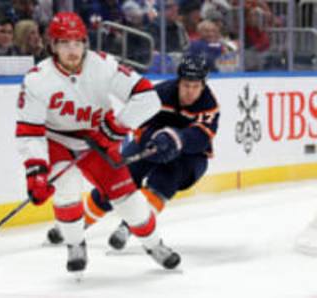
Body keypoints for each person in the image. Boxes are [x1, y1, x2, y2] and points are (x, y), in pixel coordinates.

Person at [16, 11, 180, 275]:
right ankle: (74, 243)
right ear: (52, 46)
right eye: (64, 43)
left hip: (98, 141)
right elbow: (29, 130)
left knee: (130, 202)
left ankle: (154, 244)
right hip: (57, 141)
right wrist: (35, 171)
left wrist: (115, 128)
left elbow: (148, 98)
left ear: (85, 43)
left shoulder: (104, 65)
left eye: (77, 42)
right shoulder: (37, 79)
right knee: (67, 190)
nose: (72, 50)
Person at [47, 55, 220, 252]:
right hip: (152, 143)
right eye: (186, 85)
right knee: (118, 180)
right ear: (179, 81)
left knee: (163, 183)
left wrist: (176, 138)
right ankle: (78, 224)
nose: (190, 91)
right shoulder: (160, 94)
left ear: (203, 85)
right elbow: (139, 122)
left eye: (195, 86)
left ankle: (129, 227)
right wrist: (152, 138)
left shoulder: (209, 104)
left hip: (190, 155)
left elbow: (202, 136)